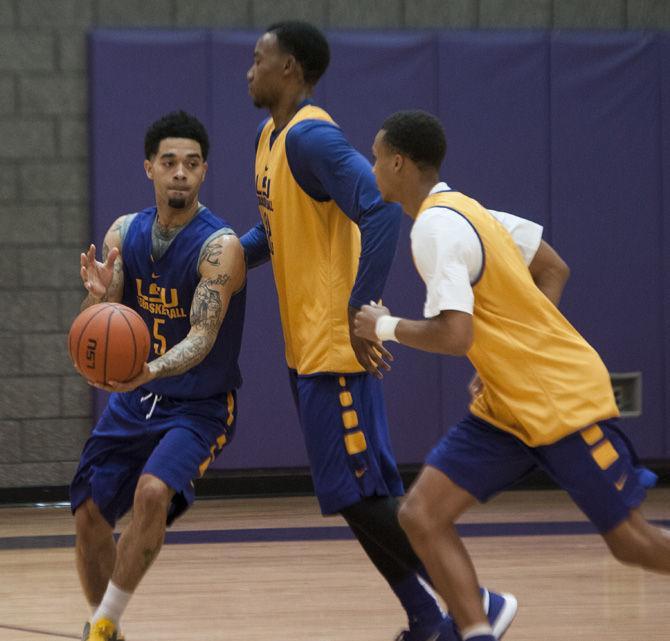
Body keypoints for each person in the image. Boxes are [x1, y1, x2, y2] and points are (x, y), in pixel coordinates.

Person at [241, 22, 516, 641]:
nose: (248, 70)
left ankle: (474, 603)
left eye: (258, 60)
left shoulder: (311, 138)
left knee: (362, 496)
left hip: (336, 351)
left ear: (289, 68)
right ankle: (426, 619)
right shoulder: (268, 139)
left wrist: (359, 310)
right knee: (361, 496)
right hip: (307, 348)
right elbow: (273, 231)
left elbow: (380, 206)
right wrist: (229, 253)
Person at [354, 109, 665, 641]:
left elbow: (455, 335)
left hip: (557, 399)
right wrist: (508, 355)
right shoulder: (478, 212)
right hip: (506, 404)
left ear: (399, 162)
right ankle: (478, 626)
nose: (373, 166)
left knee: (630, 542)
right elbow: (553, 268)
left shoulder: (433, 227)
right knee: (421, 515)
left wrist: (382, 325)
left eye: (377, 157)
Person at [70, 110, 246, 641]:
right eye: (168, 162)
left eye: (191, 164)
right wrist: (96, 299)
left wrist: (147, 368)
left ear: (204, 172)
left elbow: (202, 337)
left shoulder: (221, 246)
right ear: (149, 167)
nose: (179, 173)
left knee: (151, 493)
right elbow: (93, 332)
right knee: (87, 519)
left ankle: (103, 625)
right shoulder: (125, 233)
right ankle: (111, 629)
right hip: (136, 400)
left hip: (201, 403)